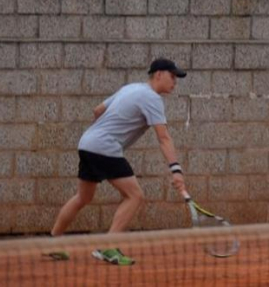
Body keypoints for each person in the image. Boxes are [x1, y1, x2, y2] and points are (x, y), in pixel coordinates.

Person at [48, 58, 189, 266]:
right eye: (172, 75)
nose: (175, 81)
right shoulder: (152, 98)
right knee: (135, 196)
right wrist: (176, 170)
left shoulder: (131, 88)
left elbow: (97, 110)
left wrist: (102, 132)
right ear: (158, 74)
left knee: (83, 197)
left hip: (87, 143)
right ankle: (108, 246)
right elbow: (164, 137)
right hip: (105, 147)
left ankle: (53, 242)